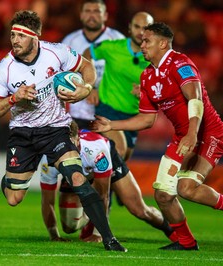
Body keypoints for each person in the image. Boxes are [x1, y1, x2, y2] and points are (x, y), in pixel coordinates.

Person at [0, 10, 126, 252]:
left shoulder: (57, 52)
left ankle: (110, 238)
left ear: (35, 36)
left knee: (78, 178)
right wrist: (13, 99)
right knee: (13, 199)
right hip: (23, 133)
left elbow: (87, 66)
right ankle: (9, 180)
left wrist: (85, 88)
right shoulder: (3, 69)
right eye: (12, 35)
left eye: (20, 35)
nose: (15, 40)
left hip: (56, 129)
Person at [90, 22, 223, 250]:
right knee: (162, 194)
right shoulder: (148, 77)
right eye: (142, 41)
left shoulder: (181, 63)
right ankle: (187, 242)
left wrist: (192, 134)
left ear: (163, 43)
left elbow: (195, 99)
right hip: (183, 137)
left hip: (208, 133)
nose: (142, 45)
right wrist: (112, 124)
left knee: (186, 189)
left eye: (147, 41)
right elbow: (147, 119)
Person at [40, 121, 177, 243]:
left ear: (78, 140)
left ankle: (172, 230)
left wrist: (98, 233)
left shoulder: (96, 149)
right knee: (70, 227)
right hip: (79, 174)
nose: (67, 151)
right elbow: (47, 201)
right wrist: (54, 236)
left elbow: (103, 195)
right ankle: (92, 213)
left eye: (70, 145)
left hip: (107, 159)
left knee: (139, 210)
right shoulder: (50, 159)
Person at [82, 12, 154, 161]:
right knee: (118, 151)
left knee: (122, 163)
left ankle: (86, 181)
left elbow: (163, 91)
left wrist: (146, 92)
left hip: (134, 117)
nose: (140, 32)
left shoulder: (155, 58)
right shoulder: (112, 47)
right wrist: (90, 85)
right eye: (136, 26)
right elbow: (86, 54)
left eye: (145, 28)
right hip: (108, 109)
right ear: (129, 28)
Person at [61, 0, 125, 128]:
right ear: (81, 15)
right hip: (77, 114)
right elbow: (61, 76)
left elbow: (125, 76)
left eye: (96, 11)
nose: (92, 15)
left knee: (117, 148)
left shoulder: (118, 40)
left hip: (110, 113)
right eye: (88, 11)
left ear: (105, 16)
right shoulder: (69, 41)